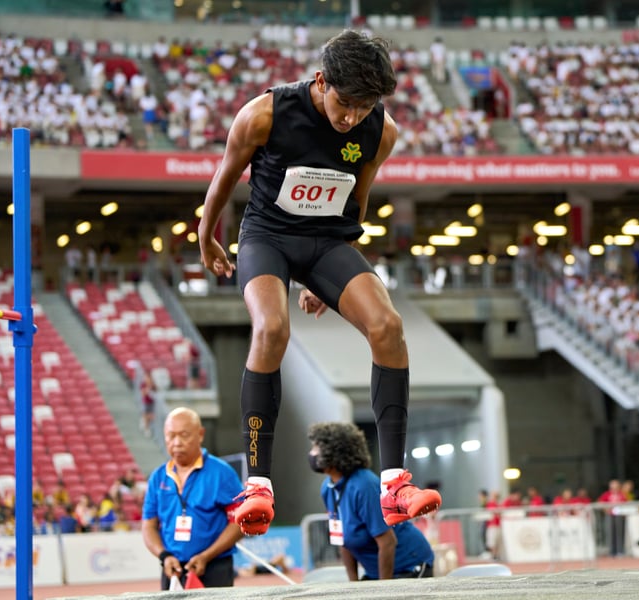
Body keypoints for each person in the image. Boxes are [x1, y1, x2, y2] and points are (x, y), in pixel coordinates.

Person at [197, 28, 441, 537]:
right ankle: (257, 485)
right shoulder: (264, 114)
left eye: (364, 106)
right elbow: (223, 178)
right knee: (272, 330)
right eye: (345, 102)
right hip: (268, 235)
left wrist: (325, 280)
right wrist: (207, 237)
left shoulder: (381, 130)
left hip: (328, 241)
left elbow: (358, 199)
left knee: (388, 326)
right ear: (320, 80)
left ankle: (394, 485)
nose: (351, 117)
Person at [307, 422, 434, 580]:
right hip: (376, 572)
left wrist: (381, 590)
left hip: (409, 565)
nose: (312, 453)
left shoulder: (364, 485)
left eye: (316, 448)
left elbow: (387, 542)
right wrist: (353, 585)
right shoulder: (328, 487)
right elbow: (343, 540)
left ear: (333, 452)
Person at [142, 407, 245, 589]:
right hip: (172, 569)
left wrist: (207, 555)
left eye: (184, 435)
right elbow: (148, 526)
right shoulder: (158, 477)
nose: (176, 443)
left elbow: (239, 522)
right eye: (170, 436)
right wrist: (164, 556)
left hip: (214, 567)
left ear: (200, 434)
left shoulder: (222, 473)